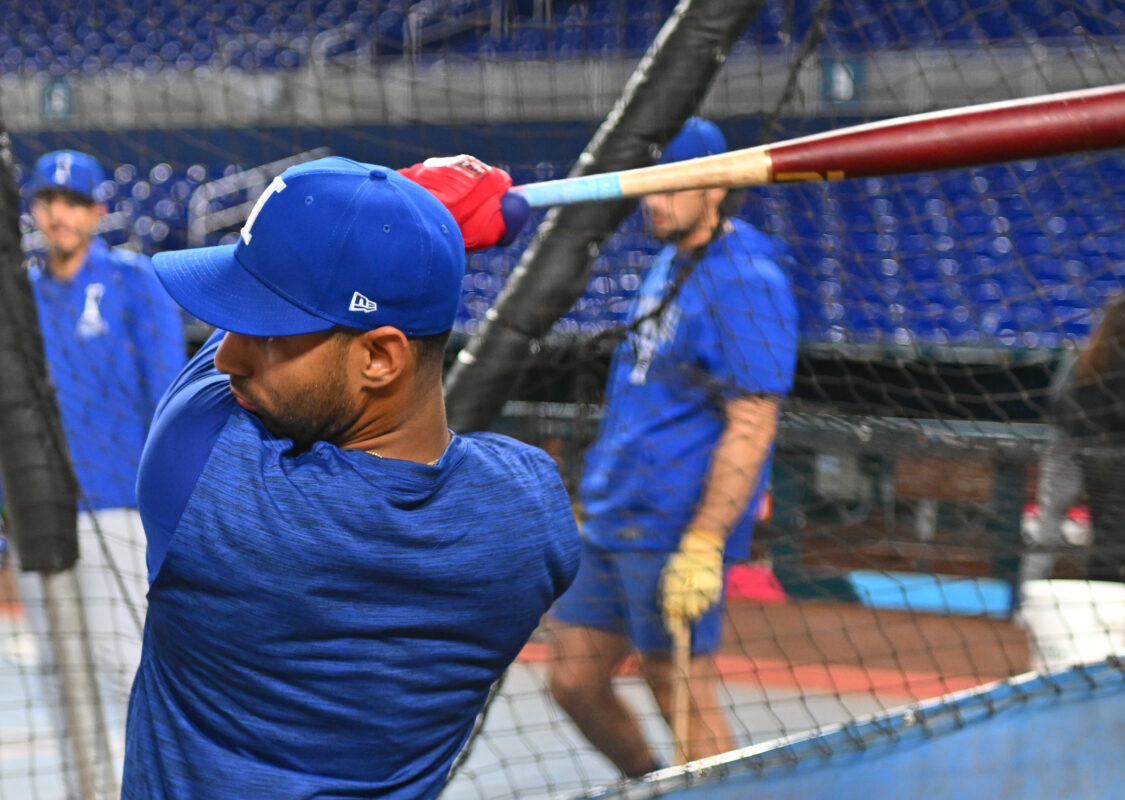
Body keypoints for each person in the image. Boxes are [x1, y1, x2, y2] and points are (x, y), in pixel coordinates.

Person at [121, 154, 578, 799]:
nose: (229, 353)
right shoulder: (532, 520)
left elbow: (212, 377)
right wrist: (419, 239)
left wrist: (430, 210)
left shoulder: (197, 470)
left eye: (271, 333)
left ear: (381, 358)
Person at [547, 118, 800, 775]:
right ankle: (652, 787)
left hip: (672, 524)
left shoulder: (748, 278)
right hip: (613, 517)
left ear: (715, 186)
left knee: (675, 684)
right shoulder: (669, 260)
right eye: (647, 187)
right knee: (574, 681)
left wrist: (706, 541)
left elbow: (753, 423)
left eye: (670, 186)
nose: (651, 201)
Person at [11, 151, 185, 744]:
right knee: (62, 678)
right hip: (40, 513)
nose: (58, 214)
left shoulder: (135, 282)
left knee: (130, 672)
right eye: (48, 201)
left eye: (73, 202)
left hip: (121, 508)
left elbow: (169, 401)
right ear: (33, 209)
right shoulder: (20, 300)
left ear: (97, 211)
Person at [1024, 293, 1125, 626]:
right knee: (1124, 530)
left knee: (1052, 524)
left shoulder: (1086, 352)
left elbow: (1058, 401)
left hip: (1074, 446)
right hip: (1112, 456)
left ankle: (1027, 604)